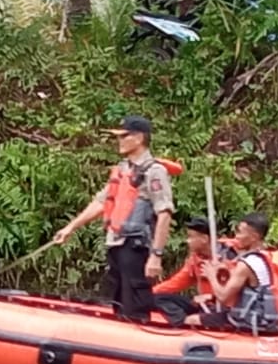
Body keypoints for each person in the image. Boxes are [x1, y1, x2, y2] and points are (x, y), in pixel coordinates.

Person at [53, 116, 182, 326]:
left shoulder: (154, 171)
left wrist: (156, 256)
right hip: (115, 243)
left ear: (139, 138)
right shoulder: (123, 169)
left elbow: (165, 213)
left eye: (124, 136)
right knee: (118, 297)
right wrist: (70, 228)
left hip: (136, 246)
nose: (119, 141)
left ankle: (141, 336)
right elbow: (101, 202)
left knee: (135, 299)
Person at [192, 213, 278, 332]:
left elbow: (223, 298)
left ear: (254, 237)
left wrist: (211, 275)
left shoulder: (245, 265)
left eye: (240, 232)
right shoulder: (265, 256)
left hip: (249, 320)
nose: (236, 237)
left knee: (192, 320)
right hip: (264, 317)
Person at [152, 217, 234, 314]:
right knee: (155, 298)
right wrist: (148, 293)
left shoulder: (231, 256)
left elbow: (237, 290)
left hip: (227, 309)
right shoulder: (195, 260)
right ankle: (182, 320)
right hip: (203, 306)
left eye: (191, 237)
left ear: (204, 239)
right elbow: (174, 284)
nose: (187, 241)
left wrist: (212, 297)